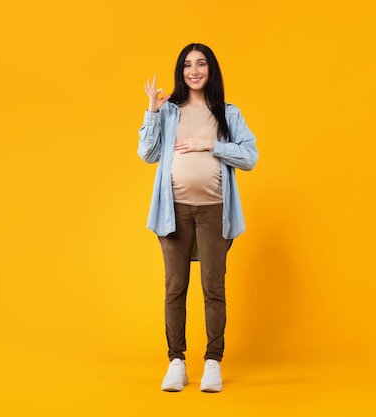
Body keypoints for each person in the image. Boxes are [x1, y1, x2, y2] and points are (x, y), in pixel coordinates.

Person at [138, 43, 258, 393]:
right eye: (188, 65)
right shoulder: (168, 111)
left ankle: (212, 362)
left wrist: (211, 144)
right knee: (175, 287)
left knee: (213, 287)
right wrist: (151, 112)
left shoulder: (228, 113)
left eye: (201, 64)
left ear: (211, 69)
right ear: (181, 71)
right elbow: (147, 153)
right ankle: (176, 361)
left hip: (214, 211)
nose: (194, 70)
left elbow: (250, 156)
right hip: (172, 210)